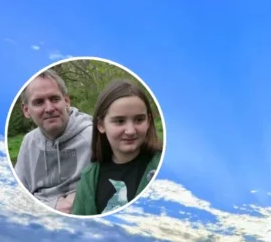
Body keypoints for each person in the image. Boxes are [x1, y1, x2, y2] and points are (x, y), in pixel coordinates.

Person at [71, 79, 162, 216]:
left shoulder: (164, 164)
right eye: (120, 121)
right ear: (101, 125)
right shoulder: (89, 178)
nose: (130, 131)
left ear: (148, 121)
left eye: (139, 120)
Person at [13, 69, 93, 213]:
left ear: (66, 101)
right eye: (39, 102)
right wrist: (52, 207)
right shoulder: (29, 142)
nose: (49, 108)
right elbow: (17, 195)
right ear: (26, 110)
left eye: (55, 99)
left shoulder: (93, 137)